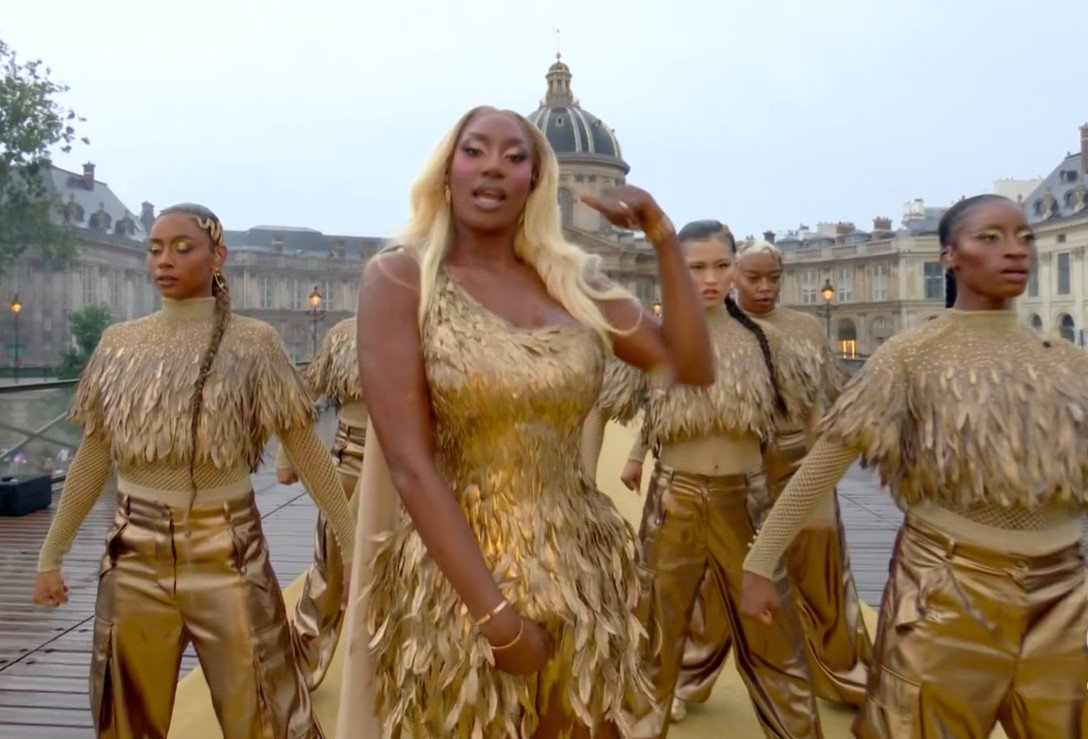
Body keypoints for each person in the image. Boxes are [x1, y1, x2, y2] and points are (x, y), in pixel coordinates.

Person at [336, 106, 714, 738]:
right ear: (447, 169)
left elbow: (688, 363)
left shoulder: (571, 278)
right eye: (475, 150)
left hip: (585, 563)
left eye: (516, 157)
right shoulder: (400, 277)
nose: (494, 167)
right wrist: (495, 616)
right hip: (462, 573)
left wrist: (663, 237)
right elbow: (409, 462)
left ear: (538, 182)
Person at [742, 194, 1088, 738]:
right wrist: (760, 564)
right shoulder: (911, 355)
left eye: (1025, 237)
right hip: (949, 588)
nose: (1015, 251)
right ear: (949, 256)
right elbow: (824, 463)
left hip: (1066, 593)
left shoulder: (1069, 362)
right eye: (991, 238)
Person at [32, 204, 354, 739]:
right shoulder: (118, 344)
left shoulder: (255, 342)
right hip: (133, 552)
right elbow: (93, 456)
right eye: (155, 249)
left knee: (265, 708)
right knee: (126, 714)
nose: (165, 260)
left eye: (183, 248)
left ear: (218, 257)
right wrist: (51, 554)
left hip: (228, 549)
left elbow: (306, 448)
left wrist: (351, 540)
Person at [614, 220, 824, 738]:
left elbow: (820, 431)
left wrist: (815, 507)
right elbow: (604, 410)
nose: (710, 278)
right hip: (672, 503)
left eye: (720, 265)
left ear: (735, 268)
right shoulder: (655, 340)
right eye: (694, 268)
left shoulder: (768, 344)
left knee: (777, 641)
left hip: (748, 503)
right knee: (652, 638)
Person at [671, 239, 870, 716]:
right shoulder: (713, 329)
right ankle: (689, 677)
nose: (765, 288)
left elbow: (828, 395)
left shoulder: (804, 327)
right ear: (734, 277)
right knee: (722, 582)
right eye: (753, 277)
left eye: (773, 277)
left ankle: (843, 674)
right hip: (744, 470)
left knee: (821, 573)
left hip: (801, 463)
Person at [277, 316, 365, 689]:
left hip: (402, 465)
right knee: (330, 569)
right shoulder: (345, 334)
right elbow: (305, 392)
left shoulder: (440, 323)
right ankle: (301, 667)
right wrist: (286, 455)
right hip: (351, 463)